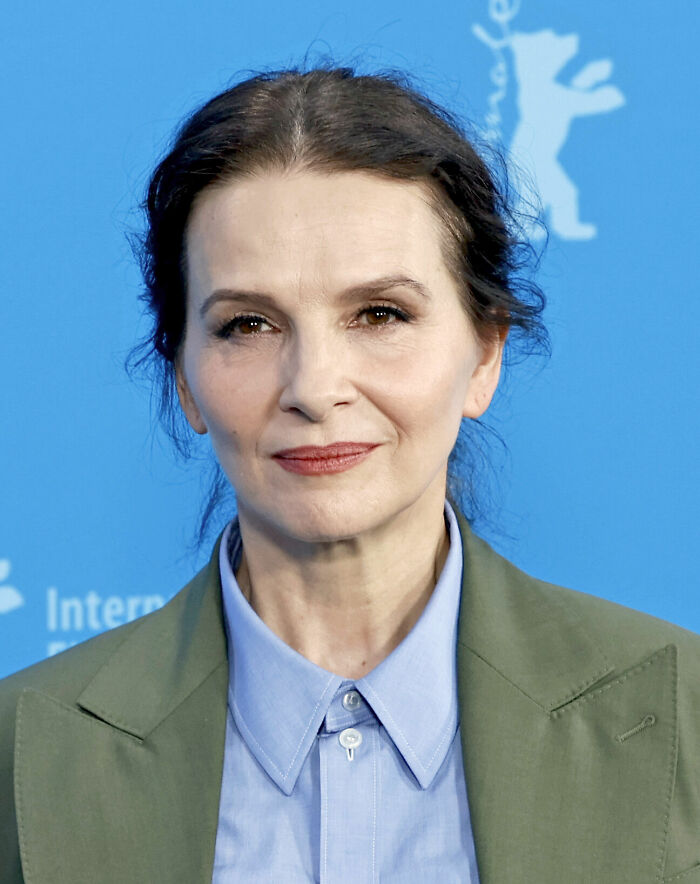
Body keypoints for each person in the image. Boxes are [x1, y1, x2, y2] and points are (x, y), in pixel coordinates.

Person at [1, 63, 699, 884]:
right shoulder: (21, 755)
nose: (313, 388)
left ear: (485, 353)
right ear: (183, 377)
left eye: (380, 314)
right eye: (248, 324)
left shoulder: (684, 718)